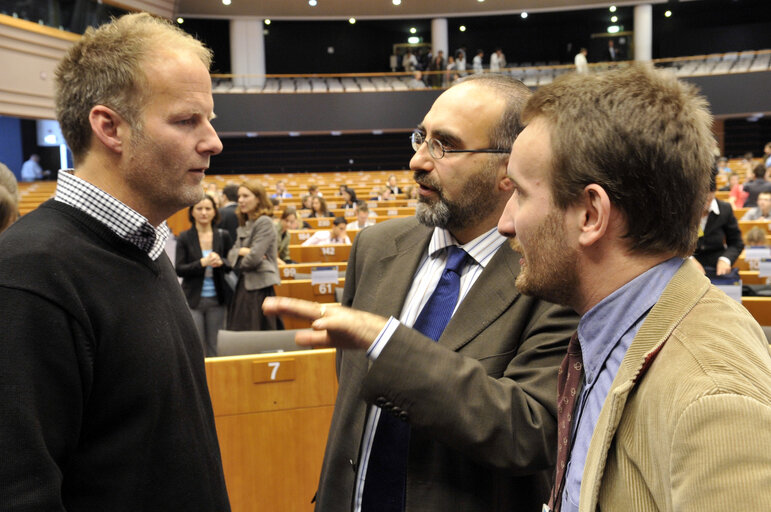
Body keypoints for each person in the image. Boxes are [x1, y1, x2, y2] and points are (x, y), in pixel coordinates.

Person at [264, 74, 578, 512]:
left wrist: (387, 343)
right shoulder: (375, 248)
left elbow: (531, 431)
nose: (417, 161)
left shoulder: (552, 277)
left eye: (444, 145)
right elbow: (356, 399)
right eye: (420, 137)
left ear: (510, 168)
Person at [497, 63, 771, 512]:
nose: (506, 222)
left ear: (590, 214)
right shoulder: (615, 332)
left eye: (522, 194)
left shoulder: (712, 398)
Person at [0, 13, 230, 510]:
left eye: (209, 119)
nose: (213, 140)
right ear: (110, 127)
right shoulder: (28, 275)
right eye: (188, 120)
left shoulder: (143, 247)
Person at [176, 195, 234, 356]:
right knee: (196, 347)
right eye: (199, 208)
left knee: (215, 346)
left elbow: (231, 264)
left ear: (215, 212)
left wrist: (221, 261)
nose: (204, 212)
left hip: (218, 298)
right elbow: (179, 269)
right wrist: (201, 263)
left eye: (208, 209)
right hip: (193, 299)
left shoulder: (223, 235)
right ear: (192, 212)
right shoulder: (184, 237)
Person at [227, 180, 283, 331]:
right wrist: (241, 252)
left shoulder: (264, 222)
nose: (240, 200)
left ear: (258, 198)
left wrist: (241, 255)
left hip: (259, 287)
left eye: (246, 196)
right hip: (245, 284)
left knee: (258, 334)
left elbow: (252, 259)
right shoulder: (247, 223)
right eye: (239, 196)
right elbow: (231, 254)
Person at [693, 171, 744, 275]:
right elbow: (674, 245)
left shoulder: (725, 209)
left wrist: (725, 259)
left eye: (708, 200)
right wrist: (688, 260)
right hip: (689, 269)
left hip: (717, 268)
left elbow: (736, 243)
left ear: (713, 192)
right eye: (700, 200)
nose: (704, 205)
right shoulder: (685, 210)